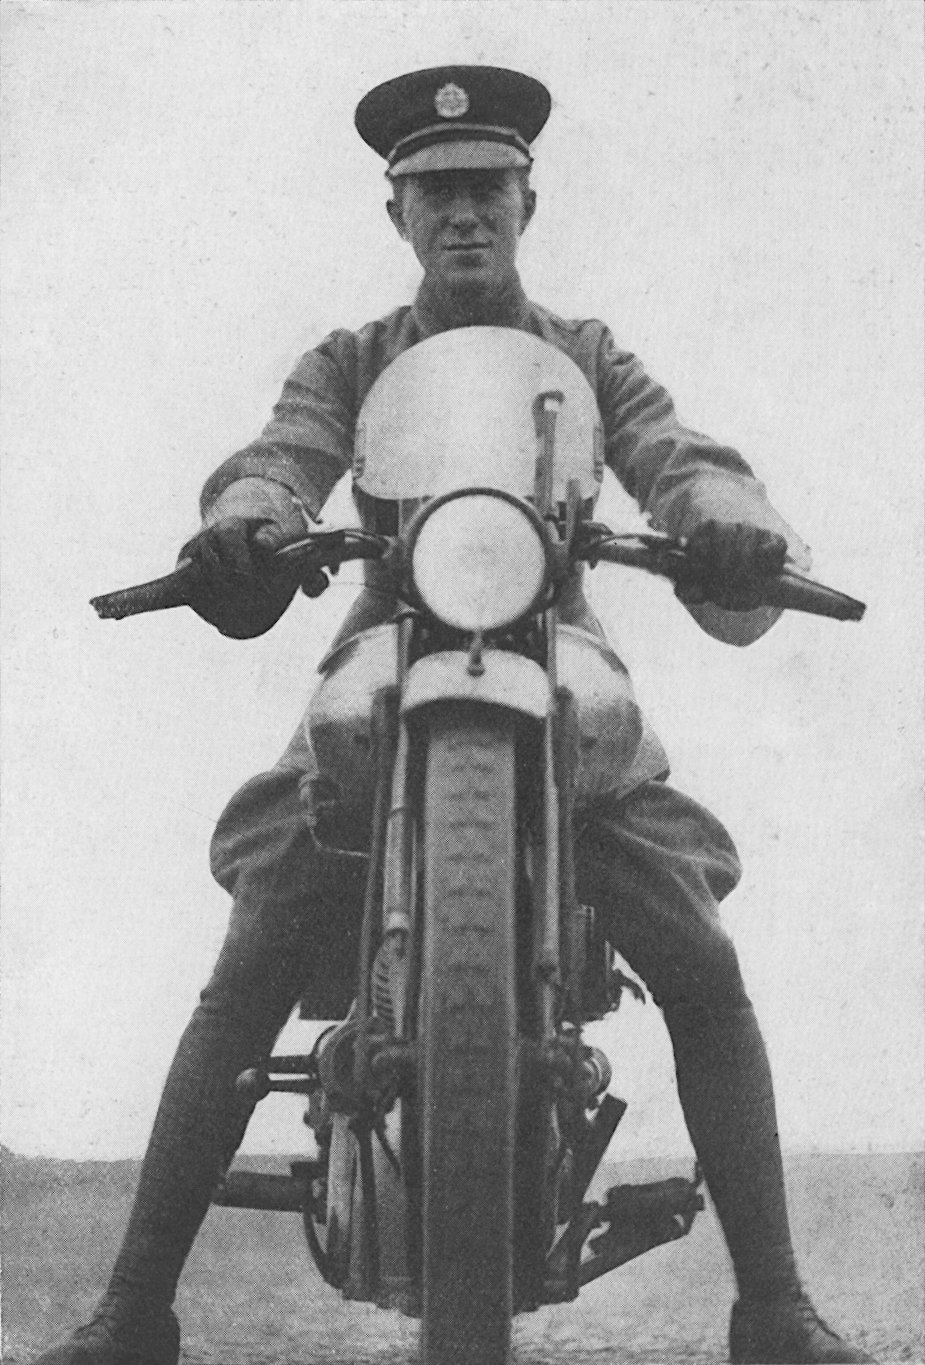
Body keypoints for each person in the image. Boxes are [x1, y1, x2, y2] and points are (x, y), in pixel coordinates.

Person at [36, 66, 872, 1365]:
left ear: (528, 200)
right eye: (436, 194)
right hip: (386, 654)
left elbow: (675, 453)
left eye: (487, 188)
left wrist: (727, 518)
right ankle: (132, 1310)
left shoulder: (585, 356)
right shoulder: (352, 359)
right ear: (398, 214)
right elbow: (283, 453)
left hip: (558, 659)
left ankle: (774, 1307)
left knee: (700, 958)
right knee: (253, 952)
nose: (464, 213)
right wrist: (246, 522)